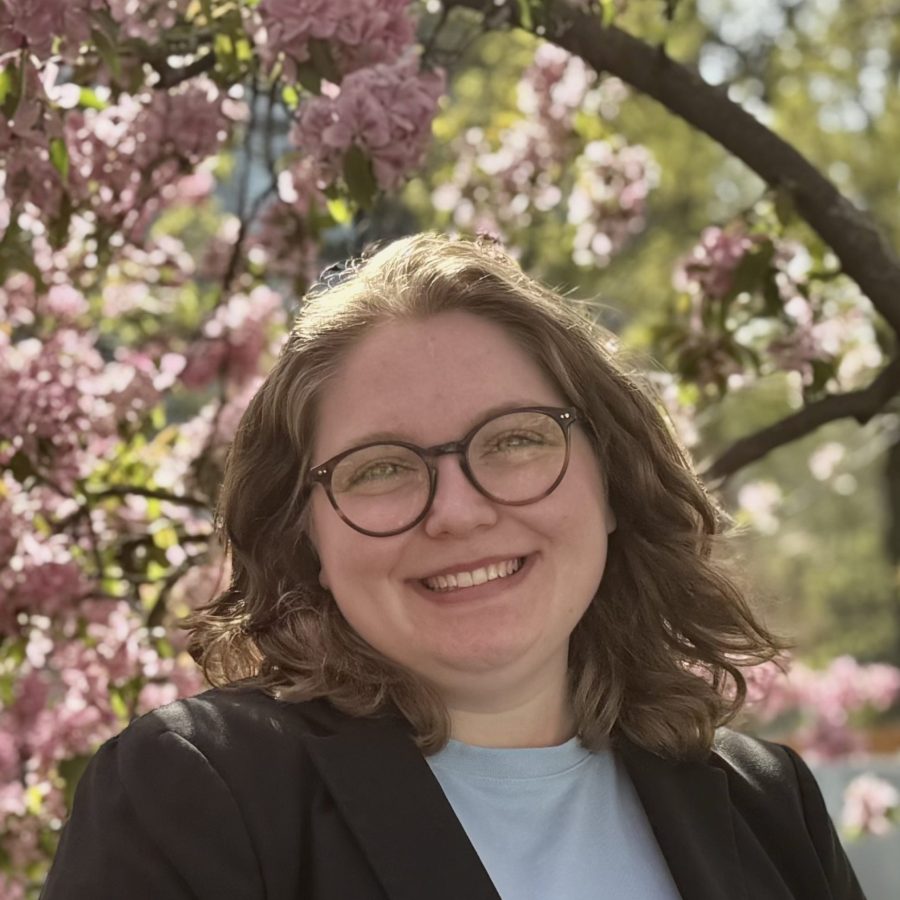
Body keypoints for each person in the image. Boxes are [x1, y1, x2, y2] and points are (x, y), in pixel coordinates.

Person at [41, 232, 865, 900]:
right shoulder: (193, 795)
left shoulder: (765, 805)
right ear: (310, 541)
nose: (459, 511)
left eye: (514, 440)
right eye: (382, 467)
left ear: (612, 483)